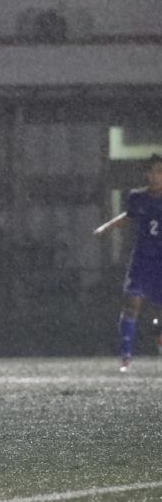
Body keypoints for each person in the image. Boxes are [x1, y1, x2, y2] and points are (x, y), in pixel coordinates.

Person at [94, 153, 162, 372]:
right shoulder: (137, 197)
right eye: (151, 171)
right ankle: (125, 357)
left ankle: (159, 339)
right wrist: (106, 227)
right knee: (132, 304)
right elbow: (129, 216)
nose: (154, 176)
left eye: (159, 172)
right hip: (142, 259)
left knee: (159, 312)